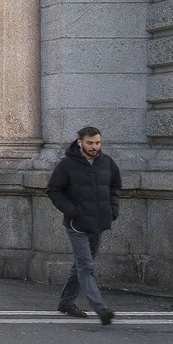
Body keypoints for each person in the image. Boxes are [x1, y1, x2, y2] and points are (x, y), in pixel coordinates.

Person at [46, 126, 122, 326]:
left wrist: (113, 209)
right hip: (77, 224)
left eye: (97, 142)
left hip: (98, 223)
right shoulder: (67, 165)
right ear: (80, 142)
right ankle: (101, 309)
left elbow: (116, 186)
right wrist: (71, 210)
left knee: (80, 265)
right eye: (90, 143)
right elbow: (54, 190)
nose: (94, 147)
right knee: (86, 267)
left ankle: (66, 302)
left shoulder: (107, 163)